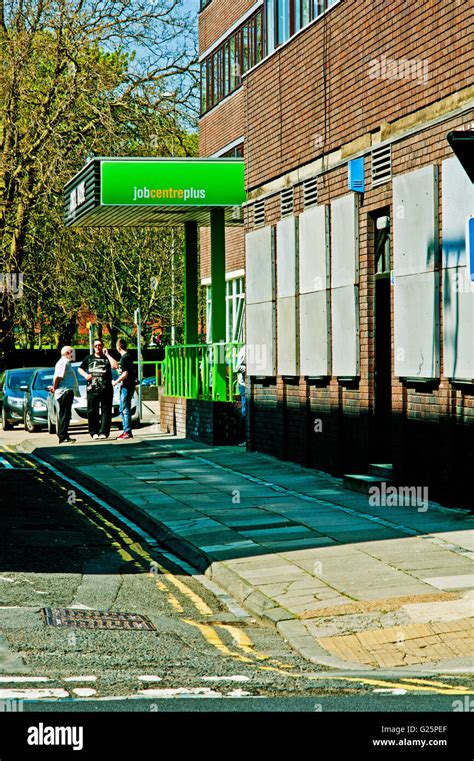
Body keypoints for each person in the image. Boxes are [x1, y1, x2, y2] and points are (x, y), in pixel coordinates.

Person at [78, 339, 118, 440]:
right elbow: (80, 368)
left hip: (106, 389)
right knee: (92, 411)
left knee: (106, 411)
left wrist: (108, 354)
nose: (98, 347)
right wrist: (85, 375)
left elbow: (115, 366)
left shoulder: (106, 358)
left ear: (103, 346)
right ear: (93, 347)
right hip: (92, 389)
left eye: (99, 345)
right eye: (95, 345)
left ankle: (104, 432)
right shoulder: (89, 358)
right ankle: (94, 432)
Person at [48, 346, 79, 444]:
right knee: (64, 414)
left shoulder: (65, 362)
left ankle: (64, 435)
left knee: (65, 414)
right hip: (64, 391)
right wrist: (54, 387)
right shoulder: (63, 362)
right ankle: (62, 436)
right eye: (71, 352)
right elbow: (58, 377)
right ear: (67, 352)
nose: (73, 354)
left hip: (66, 391)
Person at [113, 337, 136, 440]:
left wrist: (115, 382)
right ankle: (126, 431)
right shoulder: (129, 357)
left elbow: (125, 374)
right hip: (129, 385)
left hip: (126, 386)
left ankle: (127, 431)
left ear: (118, 348)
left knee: (124, 409)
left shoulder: (124, 358)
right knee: (123, 408)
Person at [235, 344, 246, 445]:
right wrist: (246, 369)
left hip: (246, 384)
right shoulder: (244, 349)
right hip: (244, 384)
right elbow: (237, 367)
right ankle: (242, 439)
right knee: (245, 411)